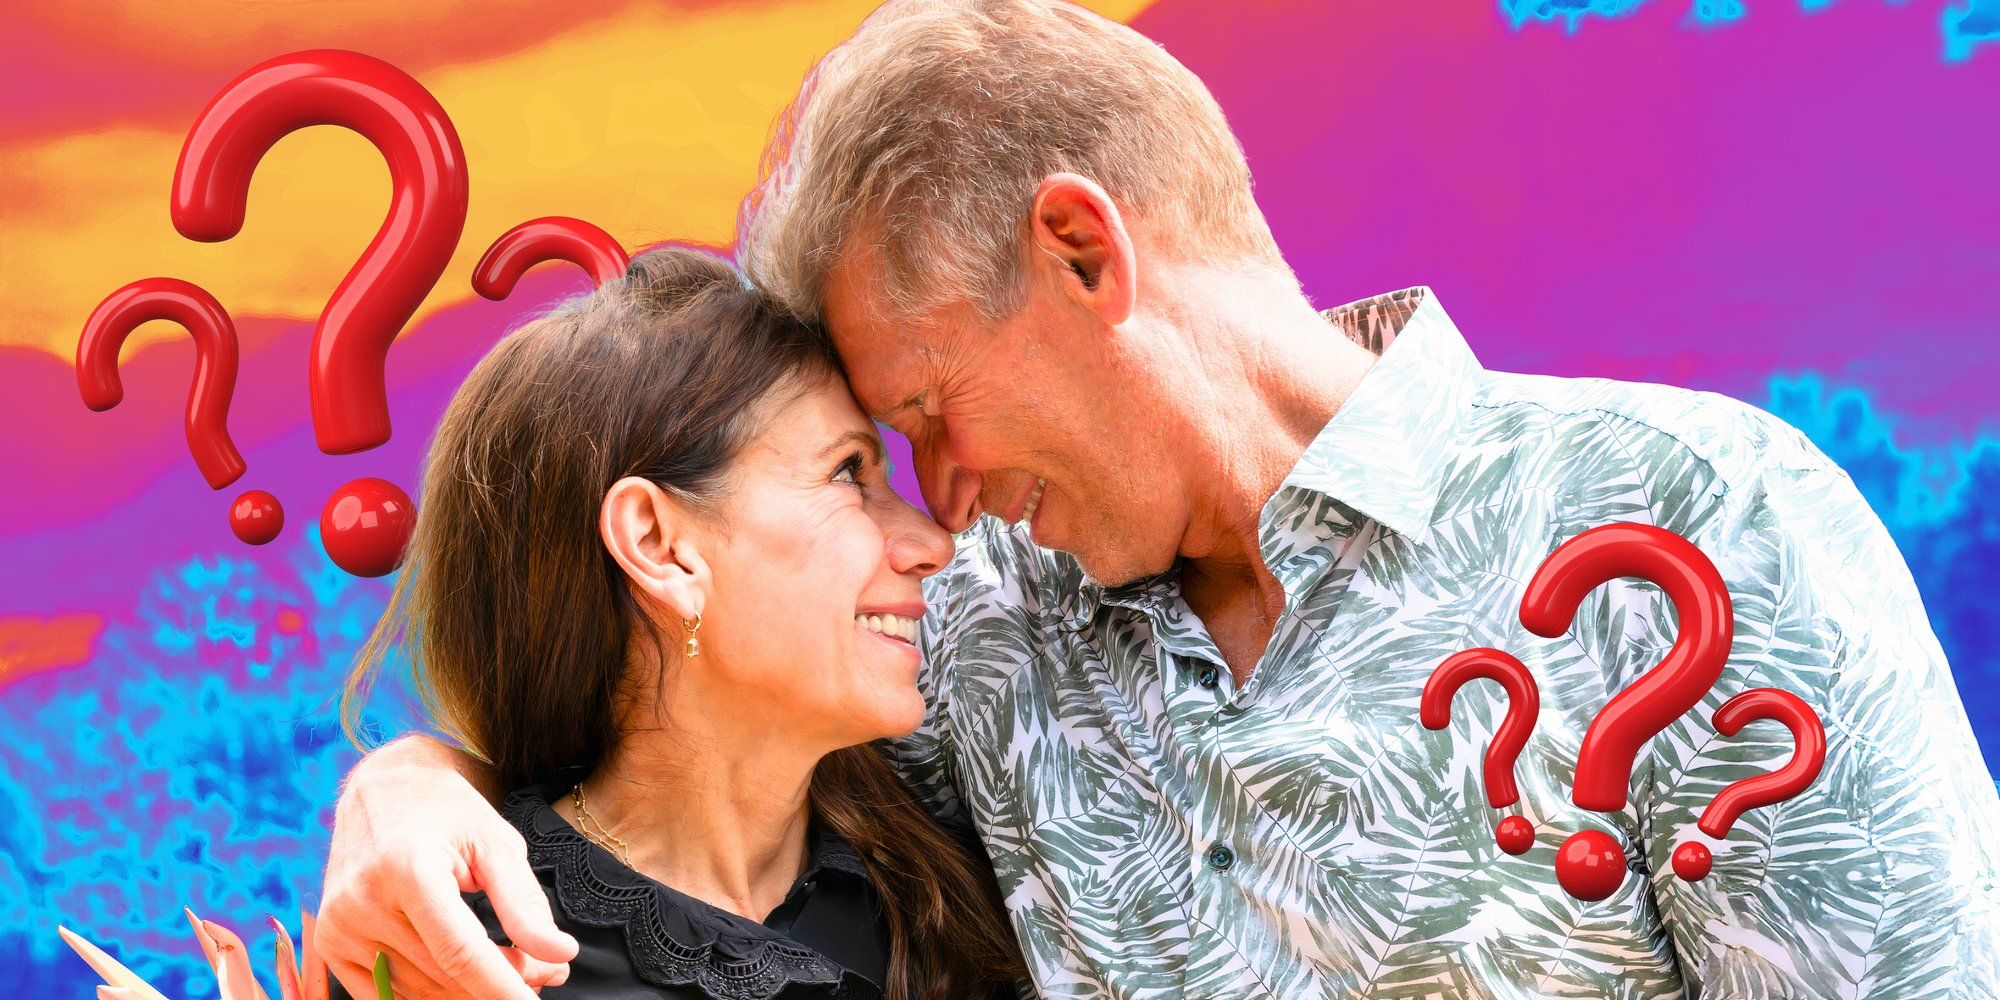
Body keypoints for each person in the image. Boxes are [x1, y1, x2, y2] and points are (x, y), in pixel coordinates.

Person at [316, 1, 2000, 997]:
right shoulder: (985, 641)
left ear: (1082, 251)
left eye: (927, 412)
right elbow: (679, 756)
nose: (948, 501)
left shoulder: (1697, 523)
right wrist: (406, 787)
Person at [324, 247, 1025, 999]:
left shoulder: (963, 850)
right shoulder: (454, 954)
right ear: (660, 545)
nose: (931, 543)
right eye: (848, 473)